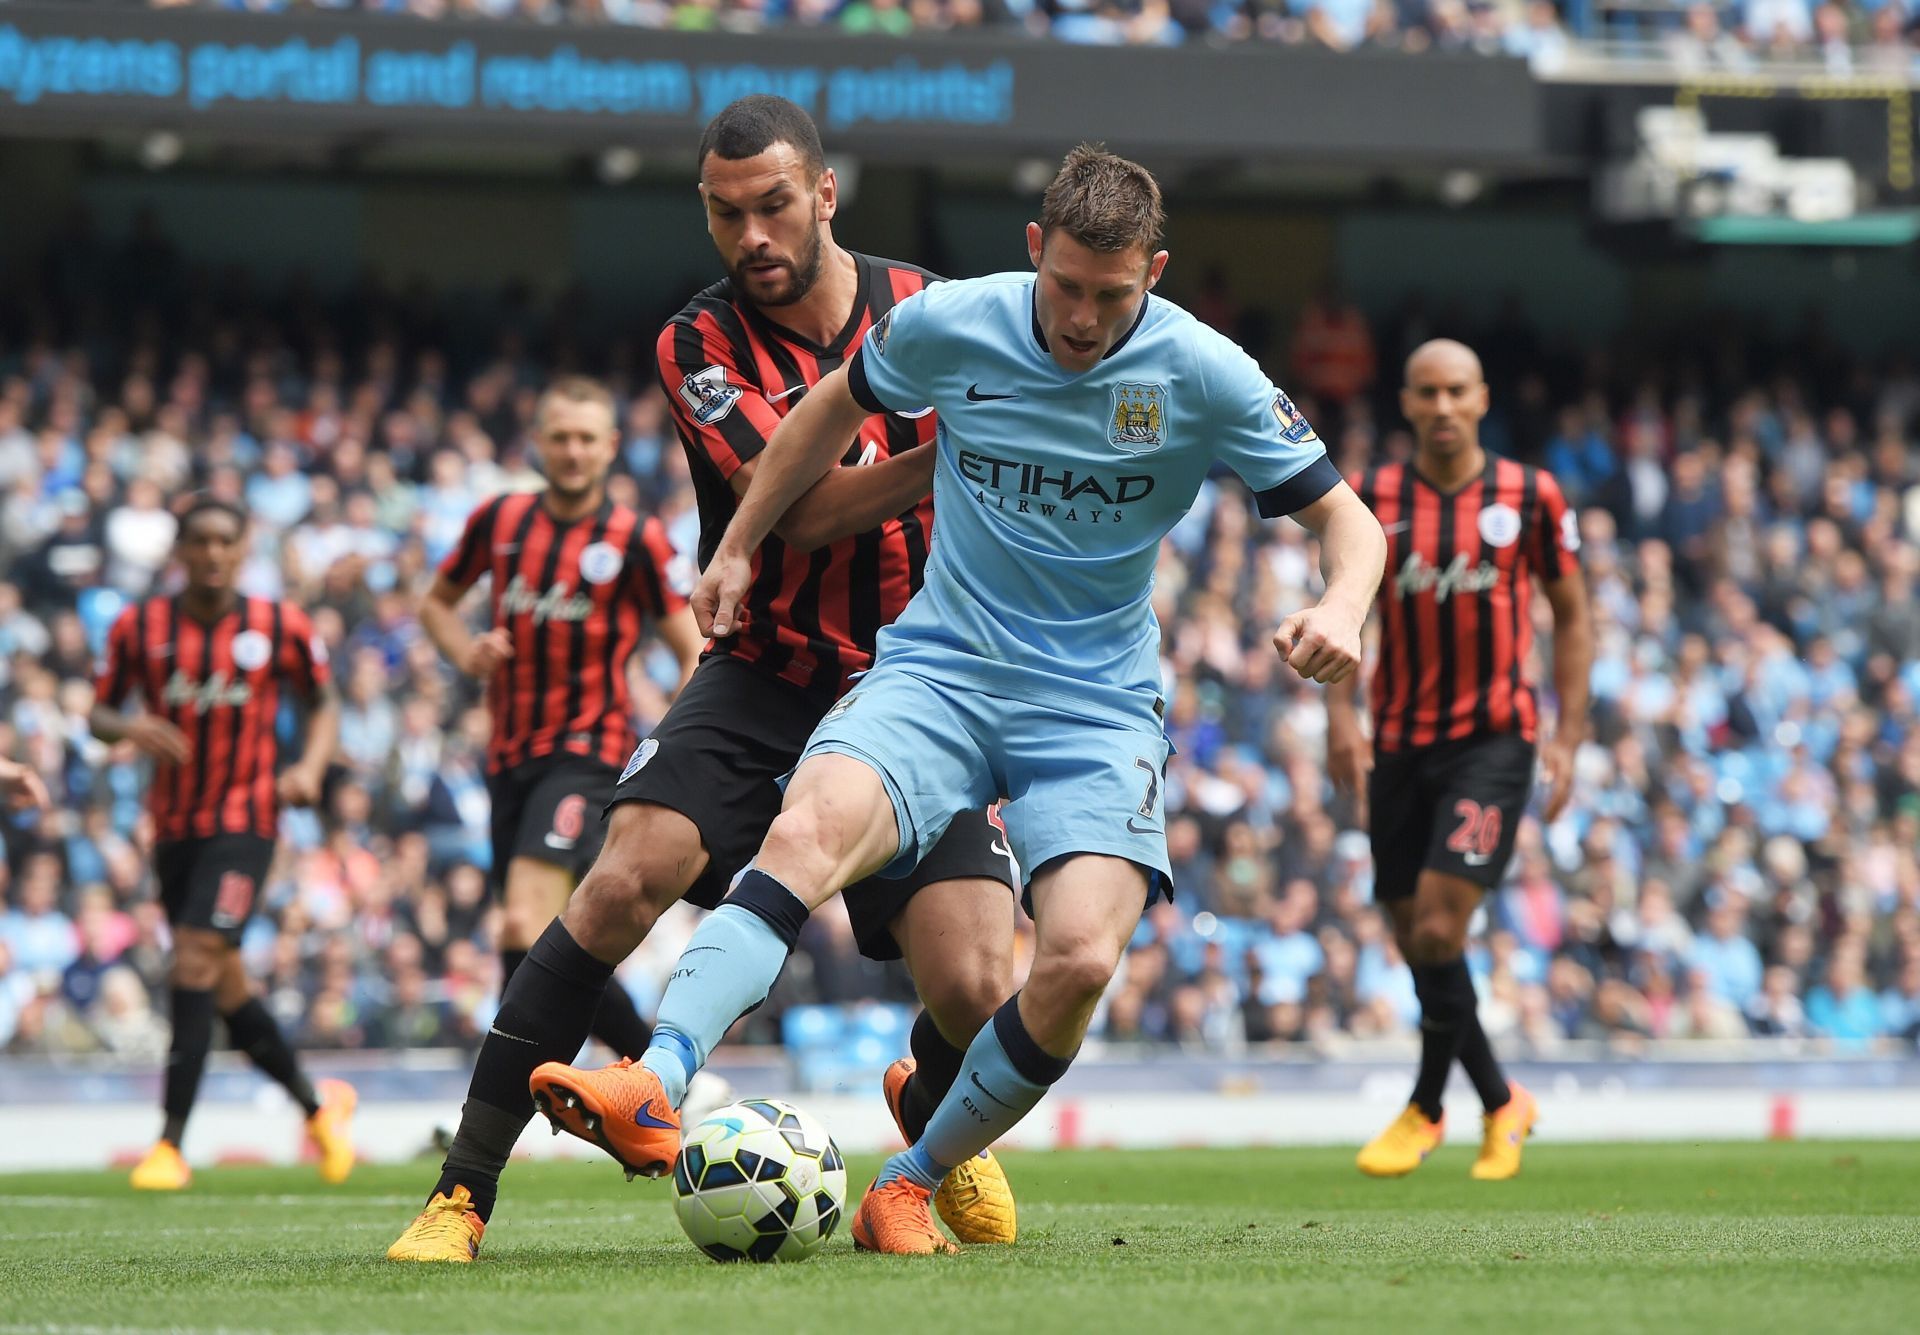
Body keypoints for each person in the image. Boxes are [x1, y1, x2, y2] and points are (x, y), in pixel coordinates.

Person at [531, 144, 1385, 1255]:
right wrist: (740, 545)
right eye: (1065, 286)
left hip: (1094, 707)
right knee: (808, 829)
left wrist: (1345, 608)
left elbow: (1350, 522)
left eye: (1111, 295)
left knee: (1074, 960)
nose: (1080, 318)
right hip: (940, 669)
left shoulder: (1205, 373)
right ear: (1035, 250)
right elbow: (830, 411)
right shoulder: (954, 322)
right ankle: (654, 1080)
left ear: (1156, 274)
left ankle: (914, 1178)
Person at [386, 95, 1022, 1264]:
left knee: (982, 983)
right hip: (766, 673)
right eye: (725, 216)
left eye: (775, 206)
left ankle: (935, 1110)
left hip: (924, 683)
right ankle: (460, 1197)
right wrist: (967, 448)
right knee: (625, 881)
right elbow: (814, 512)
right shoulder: (700, 345)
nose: (752, 238)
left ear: (827, 194)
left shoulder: (930, 310)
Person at [1328, 339, 1592, 1182]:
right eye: (1427, 393)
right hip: (1399, 743)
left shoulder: (1531, 494)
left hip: (1494, 741)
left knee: (1441, 925)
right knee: (1415, 939)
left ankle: (1428, 1104)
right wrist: (1340, 716)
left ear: (1482, 398)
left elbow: (1573, 614)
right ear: (1406, 402)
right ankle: (1499, 1098)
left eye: (1458, 392)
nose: (1443, 407)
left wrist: (1571, 732)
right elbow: (1344, 611)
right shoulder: (1370, 498)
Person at [417, 375, 703, 1065]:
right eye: (560, 437)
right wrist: (467, 649)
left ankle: (491, 1110)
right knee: (540, 939)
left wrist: (671, 747)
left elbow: (691, 652)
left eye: (586, 438)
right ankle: (667, 1080)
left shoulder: (637, 538)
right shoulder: (501, 521)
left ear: (610, 447)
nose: (573, 451)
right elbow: (435, 604)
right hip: (510, 757)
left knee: (523, 920)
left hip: (589, 751)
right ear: (538, 443)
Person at [90, 496, 354, 1191]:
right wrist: (129, 728)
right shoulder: (139, 627)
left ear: (242, 550)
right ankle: (319, 1110)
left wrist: (308, 767)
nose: (212, 553)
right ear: (178, 549)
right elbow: (97, 711)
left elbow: (324, 700)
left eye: (224, 541)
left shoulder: (278, 623)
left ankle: (169, 1144)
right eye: (199, 540)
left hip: (247, 821)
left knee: (195, 957)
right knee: (225, 986)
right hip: (174, 828)